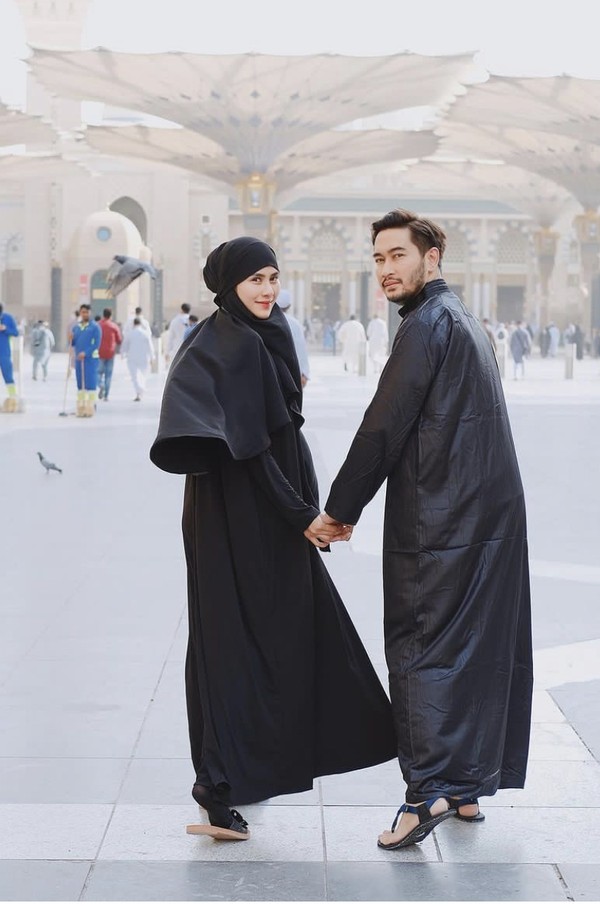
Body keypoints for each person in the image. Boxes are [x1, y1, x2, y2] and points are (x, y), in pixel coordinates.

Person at [150, 237, 396, 842]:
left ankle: (242, 771)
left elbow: (279, 433)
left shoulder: (264, 333)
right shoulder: (227, 343)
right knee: (230, 642)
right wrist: (303, 516)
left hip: (268, 514)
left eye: (273, 278)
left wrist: (306, 511)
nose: (267, 290)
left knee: (282, 636)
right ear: (228, 285)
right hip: (237, 515)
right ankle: (215, 786)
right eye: (254, 279)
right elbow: (253, 451)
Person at [310, 209, 532, 850]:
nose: (386, 269)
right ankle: (464, 787)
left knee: (419, 650)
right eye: (378, 259)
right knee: (475, 652)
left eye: (397, 256)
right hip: (489, 520)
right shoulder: (465, 321)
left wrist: (339, 509)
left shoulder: (426, 326)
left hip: (438, 522)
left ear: (432, 257)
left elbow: (384, 425)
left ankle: (426, 792)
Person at [71, 304, 101, 416]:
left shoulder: (95, 327)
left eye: (86, 312)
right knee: (80, 384)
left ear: (90, 313)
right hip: (79, 360)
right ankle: (81, 406)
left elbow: (96, 344)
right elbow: (73, 343)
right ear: (80, 313)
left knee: (90, 383)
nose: (84, 314)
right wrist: (71, 339)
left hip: (90, 360)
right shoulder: (76, 327)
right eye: (82, 312)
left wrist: (86, 353)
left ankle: (91, 406)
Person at [276, 288, 310, 386]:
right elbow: (300, 348)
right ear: (289, 306)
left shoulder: (264, 321)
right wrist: (304, 373)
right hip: (291, 371)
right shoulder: (295, 324)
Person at [122, 316, 154, 401]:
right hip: (144, 357)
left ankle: (139, 392)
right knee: (143, 375)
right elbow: (150, 346)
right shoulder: (145, 334)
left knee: (135, 376)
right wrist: (152, 357)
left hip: (132, 357)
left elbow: (125, 345)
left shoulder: (130, 333)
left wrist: (123, 354)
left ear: (133, 324)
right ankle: (141, 390)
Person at [97, 308, 122, 400]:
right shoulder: (114, 326)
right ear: (111, 315)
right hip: (110, 353)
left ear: (103, 314)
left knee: (98, 373)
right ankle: (106, 395)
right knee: (108, 375)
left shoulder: (98, 325)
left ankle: (101, 385)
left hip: (99, 353)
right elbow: (119, 340)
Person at [0, 303, 20, 411]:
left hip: (4, 352)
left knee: (8, 375)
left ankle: (13, 399)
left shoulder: (8, 318)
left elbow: (16, 333)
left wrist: (5, 329)